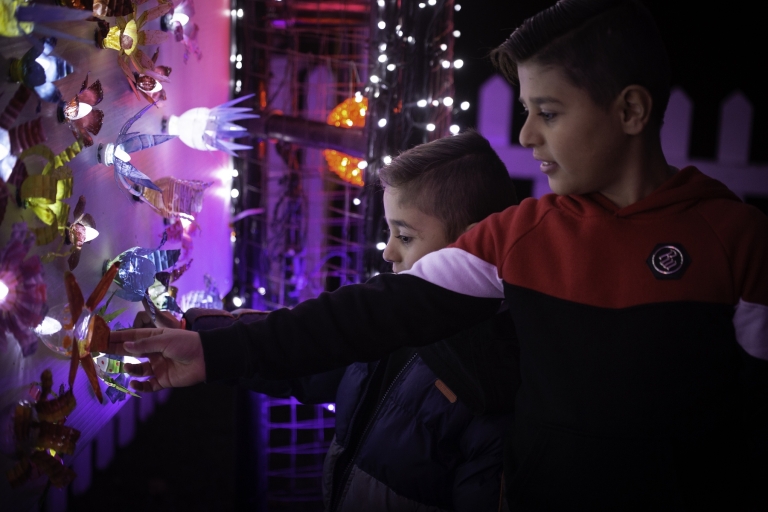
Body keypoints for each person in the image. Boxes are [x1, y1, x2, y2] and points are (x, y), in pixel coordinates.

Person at [110, 0, 768, 509]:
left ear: (629, 110)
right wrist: (214, 348)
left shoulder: (735, 242)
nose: (526, 133)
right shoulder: (522, 235)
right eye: (526, 111)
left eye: (549, 111)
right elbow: (366, 317)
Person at [131, 130, 520, 512]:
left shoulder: (494, 388)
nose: (388, 252)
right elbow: (306, 361)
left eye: (404, 236)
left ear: (472, 244)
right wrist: (199, 335)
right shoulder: (390, 323)